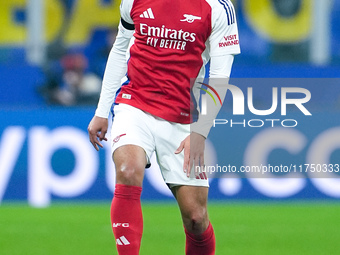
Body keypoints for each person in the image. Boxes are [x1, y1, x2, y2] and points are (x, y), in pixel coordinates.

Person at [88, 0, 240, 254]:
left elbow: (220, 76)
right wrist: (102, 111)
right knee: (127, 168)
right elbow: (120, 48)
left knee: (196, 218)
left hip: (183, 118)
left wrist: (200, 131)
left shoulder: (218, 7)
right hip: (135, 104)